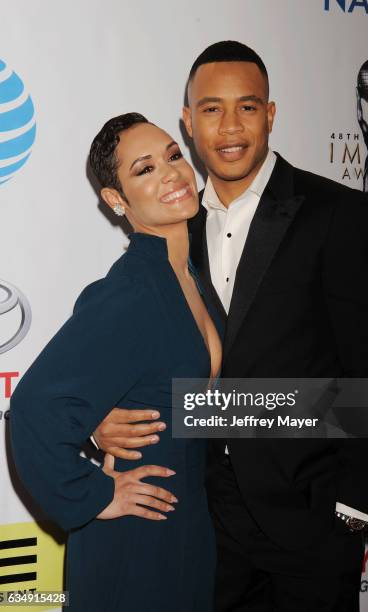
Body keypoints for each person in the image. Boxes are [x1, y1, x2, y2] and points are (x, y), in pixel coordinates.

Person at [92, 42, 368, 611]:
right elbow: (152, 361)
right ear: (188, 122)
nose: (230, 127)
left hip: (312, 517)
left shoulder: (336, 215)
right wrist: (102, 420)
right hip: (202, 516)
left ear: (271, 114)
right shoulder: (171, 230)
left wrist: (354, 505)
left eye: (248, 107)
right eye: (211, 109)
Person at [10, 112, 223, 612]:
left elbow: (201, 408)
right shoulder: (130, 292)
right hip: (139, 538)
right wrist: (93, 495)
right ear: (116, 200)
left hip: (190, 525)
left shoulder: (192, 278)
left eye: (173, 155)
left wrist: (364, 412)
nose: (171, 173)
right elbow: (32, 410)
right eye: (144, 169)